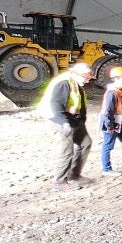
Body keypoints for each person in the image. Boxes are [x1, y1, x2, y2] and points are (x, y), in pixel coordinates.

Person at [40, 61, 94, 190]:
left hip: (74, 119)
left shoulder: (76, 83)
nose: (87, 81)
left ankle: (74, 175)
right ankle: (59, 182)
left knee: (85, 143)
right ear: (76, 74)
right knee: (66, 150)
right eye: (85, 78)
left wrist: (81, 120)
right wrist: (64, 122)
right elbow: (56, 104)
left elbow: (78, 103)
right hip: (59, 120)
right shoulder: (64, 83)